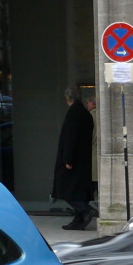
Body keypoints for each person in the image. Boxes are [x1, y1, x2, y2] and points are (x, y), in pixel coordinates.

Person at [52, 85, 95, 230]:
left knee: (64, 187)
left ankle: (85, 210)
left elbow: (70, 137)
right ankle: (78, 220)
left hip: (73, 160)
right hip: (83, 159)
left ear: (67, 98)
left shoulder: (73, 113)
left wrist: (68, 159)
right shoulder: (85, 113)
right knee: (78, 190)